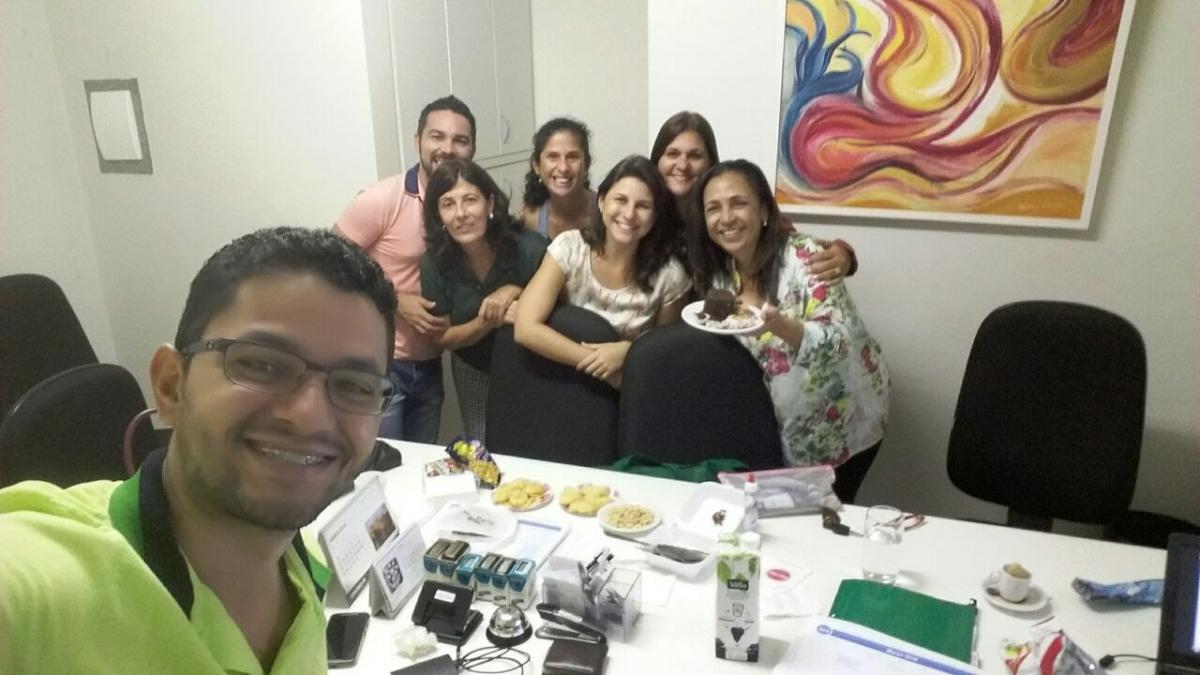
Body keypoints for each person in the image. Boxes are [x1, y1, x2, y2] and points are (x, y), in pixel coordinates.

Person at [0, 227, 398, 673]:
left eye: (356, 386)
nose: (310, 417)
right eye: (262, 364)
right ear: (171, 385)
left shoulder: (302, 566)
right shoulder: (42, 584)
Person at [688, 160, 890, 503]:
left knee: (829, 515)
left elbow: (841, 340)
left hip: (840, 419)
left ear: (764, 211)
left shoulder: (806, 257)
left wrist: (786, 328)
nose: (726, 217)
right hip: (779, 429)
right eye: (714, 208)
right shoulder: (718, 275)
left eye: (738, 203)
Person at [335, 95, 477, 443]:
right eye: (437, 136)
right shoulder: (382, 198)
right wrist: (396, 300)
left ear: (472, 149)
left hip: (431, 364)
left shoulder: (468, 207)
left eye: (460, 140)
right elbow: (329, 261)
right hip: (382, 364)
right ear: (417, 142)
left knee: (420, 464)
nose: (447, 148)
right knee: (384, 466)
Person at [515, 155, 690, 389]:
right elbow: (525, 328)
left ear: (655, 216)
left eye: (643, 206)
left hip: (629, 393)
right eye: (620, 200)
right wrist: (601, 366)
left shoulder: (670, 276)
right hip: (565, 383)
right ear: (601, 201)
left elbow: (665, 355)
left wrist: (628, 352)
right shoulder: (569, 249)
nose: (629, 214)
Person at [421, 159, 548, 440]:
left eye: (470, 200)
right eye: (448, 204)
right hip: (474, 368)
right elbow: (443, 338)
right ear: (438, 215)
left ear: (489, 203)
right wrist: (487, 320)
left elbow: (563, 309)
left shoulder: (530, 247)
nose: (461, 214)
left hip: (535, 366)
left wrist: (514, 291)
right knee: (483, 448)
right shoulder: (433, 263)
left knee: (537, 443)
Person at [651, 110, 856, 282]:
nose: (683, 165)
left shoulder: (729, 208)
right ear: (658, 159)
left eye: (695, 156)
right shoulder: (646, 210)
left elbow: (782, 241)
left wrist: (844, 254)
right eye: (672, 154)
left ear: (711, 163)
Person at [518, 117, 596, 240]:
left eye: (572, 157)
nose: (563, 167)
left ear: (587, 164)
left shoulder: (605, 211)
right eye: (553, 157)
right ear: (537, 166)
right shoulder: (530, 219)